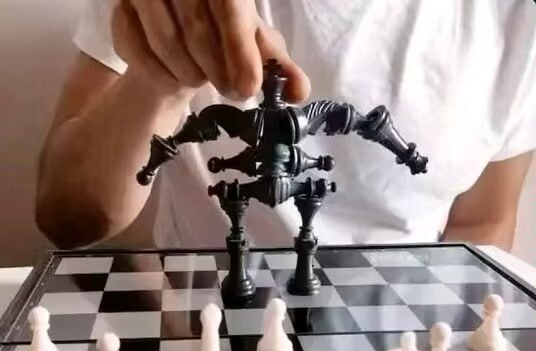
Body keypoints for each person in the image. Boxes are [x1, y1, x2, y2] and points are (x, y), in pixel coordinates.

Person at [37, 0, 536, 251]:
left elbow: (483, 222)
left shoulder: (514, 17)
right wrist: (159, 79)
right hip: (202, 336)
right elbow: (66, 216)